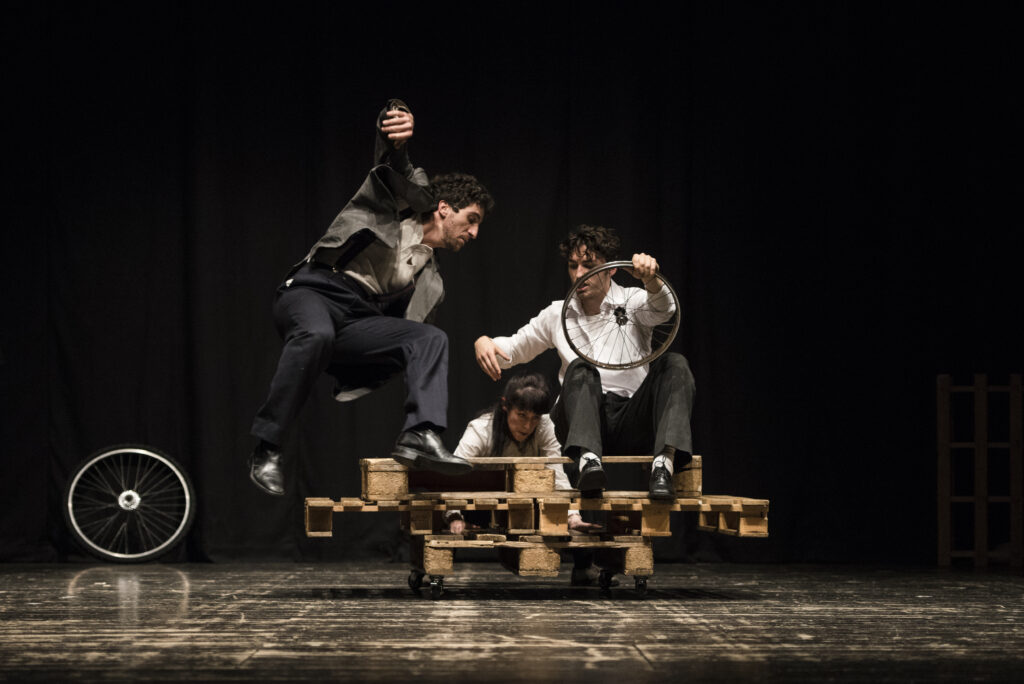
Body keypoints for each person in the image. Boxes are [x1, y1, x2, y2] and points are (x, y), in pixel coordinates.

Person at [248, 99, 494, 495]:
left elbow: (410, 341)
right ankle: (268, 448)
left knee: (431, 338)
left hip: (357, 318)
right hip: (315, 289)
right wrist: (395, 127)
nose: (475, 233)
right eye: (472, 220)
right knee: (316, 334)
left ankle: (421, 434)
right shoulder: (400, 204)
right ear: (445, 208)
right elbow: (395, 163)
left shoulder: (431, 280)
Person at [472, 225, 695, 500]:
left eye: (588, 266)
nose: (579, 274)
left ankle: (663, 467)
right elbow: (514, 348)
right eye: (573, 265)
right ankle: (589, 464)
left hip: (631, 420)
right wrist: (484, 342)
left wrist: (651, 280)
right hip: (579, 423)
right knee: (580, 367)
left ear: (612, 268)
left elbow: (665, 309)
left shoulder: (633, 300)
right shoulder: (558, 313)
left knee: (675, 364)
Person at [447, 373, 608, 586]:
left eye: (535, 418)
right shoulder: (480, 429)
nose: (527, 426)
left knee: (578, 476)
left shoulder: (545, 426)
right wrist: (454, 516)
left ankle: (583, 568)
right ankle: (438, 573)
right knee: (446, 514)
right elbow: (455, 476)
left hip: (529, 508)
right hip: (485, 509)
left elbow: (556, 473)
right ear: (505, 406)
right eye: (521, 415)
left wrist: (572, 516)